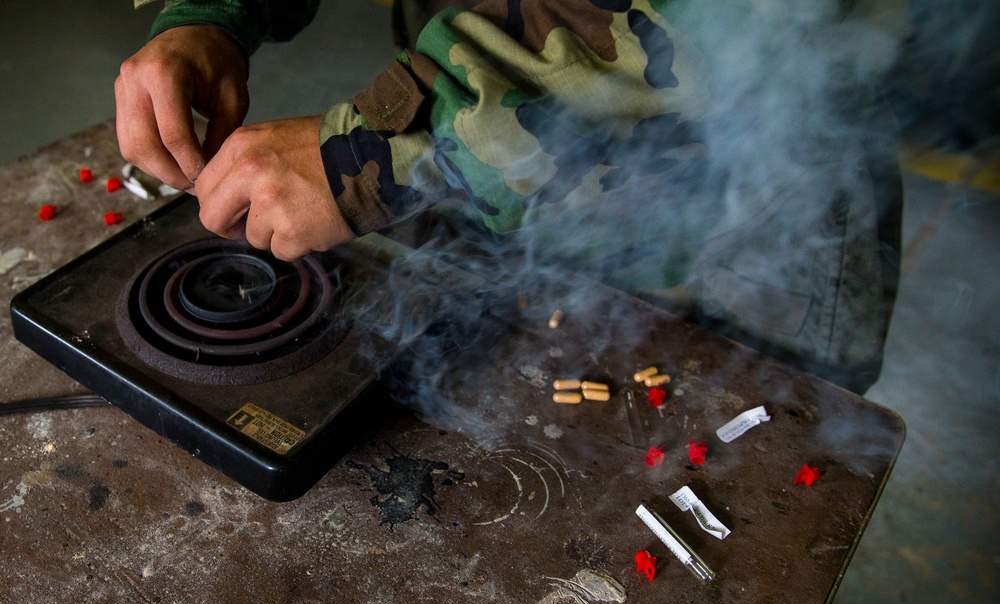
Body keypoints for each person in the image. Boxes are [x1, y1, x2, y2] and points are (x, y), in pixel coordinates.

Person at [115, 0, 901, 393]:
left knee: (731, 517)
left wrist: (382, 147)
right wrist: (213, 12)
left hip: (728, 201)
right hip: (484, 164)